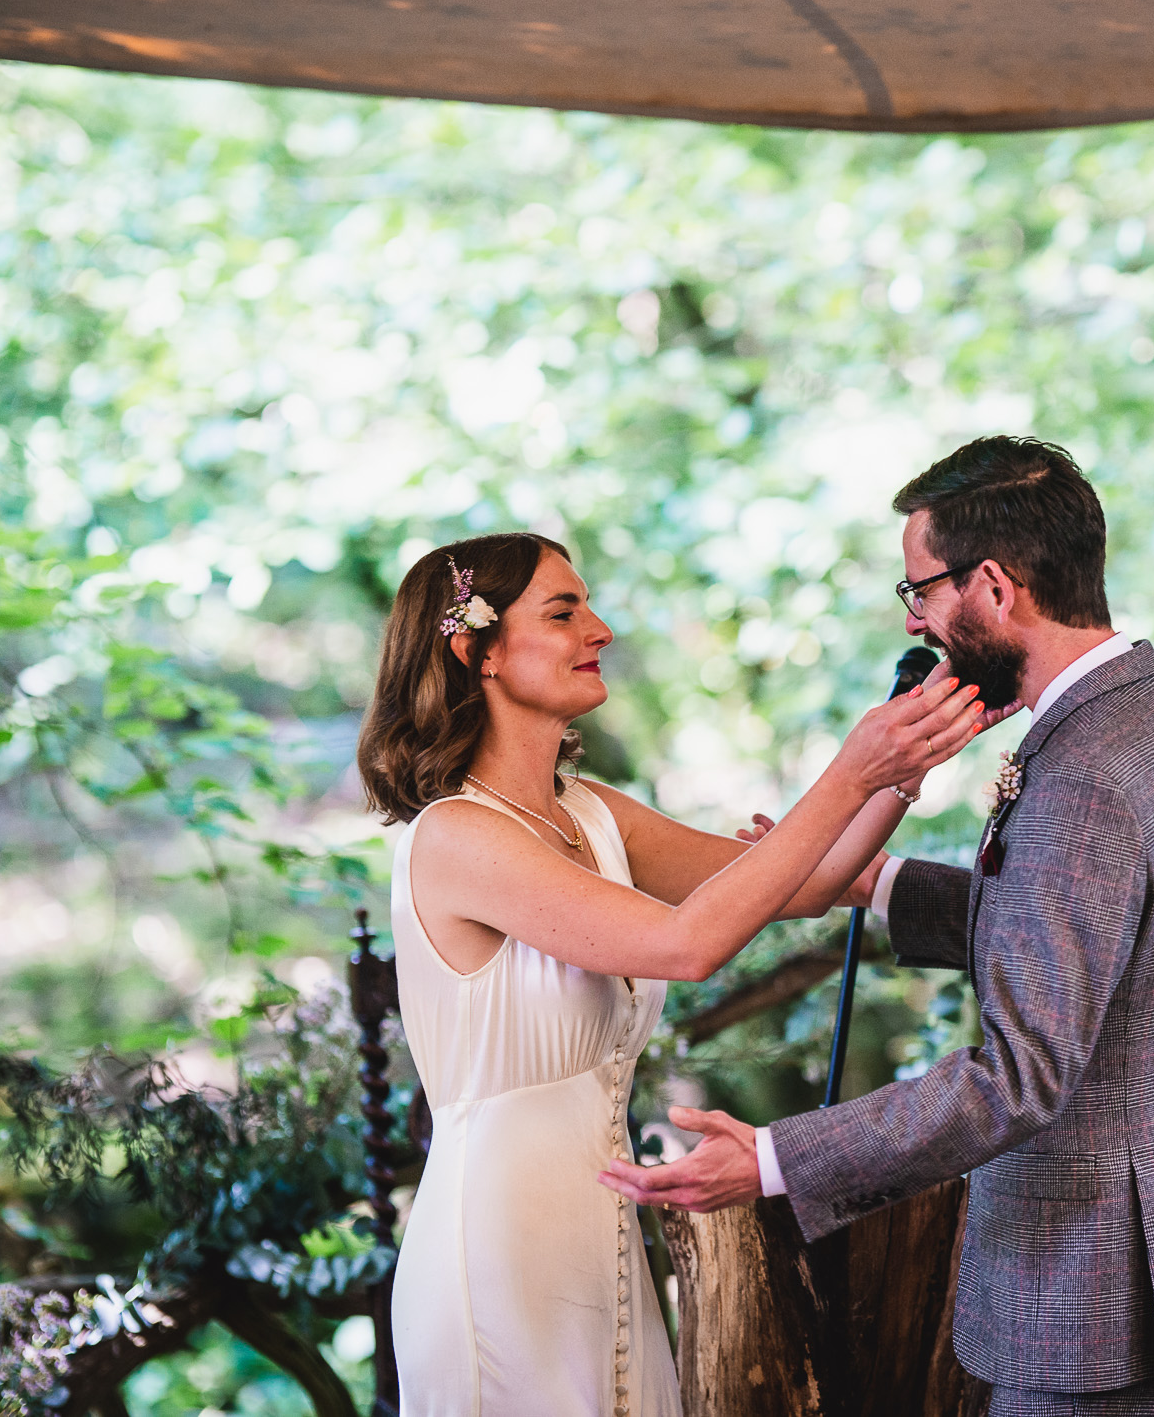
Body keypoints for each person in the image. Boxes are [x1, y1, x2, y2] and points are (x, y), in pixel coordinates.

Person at [602, 437, 1154, 1417]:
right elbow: (1092, 928)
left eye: (920, 590)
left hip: (1094, 1301)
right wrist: (876, 879)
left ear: (993, 584)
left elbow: (1018, 1074)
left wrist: (776, 1157)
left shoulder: (1079, 773)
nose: (914, 621)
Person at [355, 532, 985, 1417]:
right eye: (564, 611)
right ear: (477, 650)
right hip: (494, 1245)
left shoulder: (589, 809)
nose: (600, 628)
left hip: (605, 1224)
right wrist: (852, 767)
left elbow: (806, 886)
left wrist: (901, 769)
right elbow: (689, 944)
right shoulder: (456, 835)